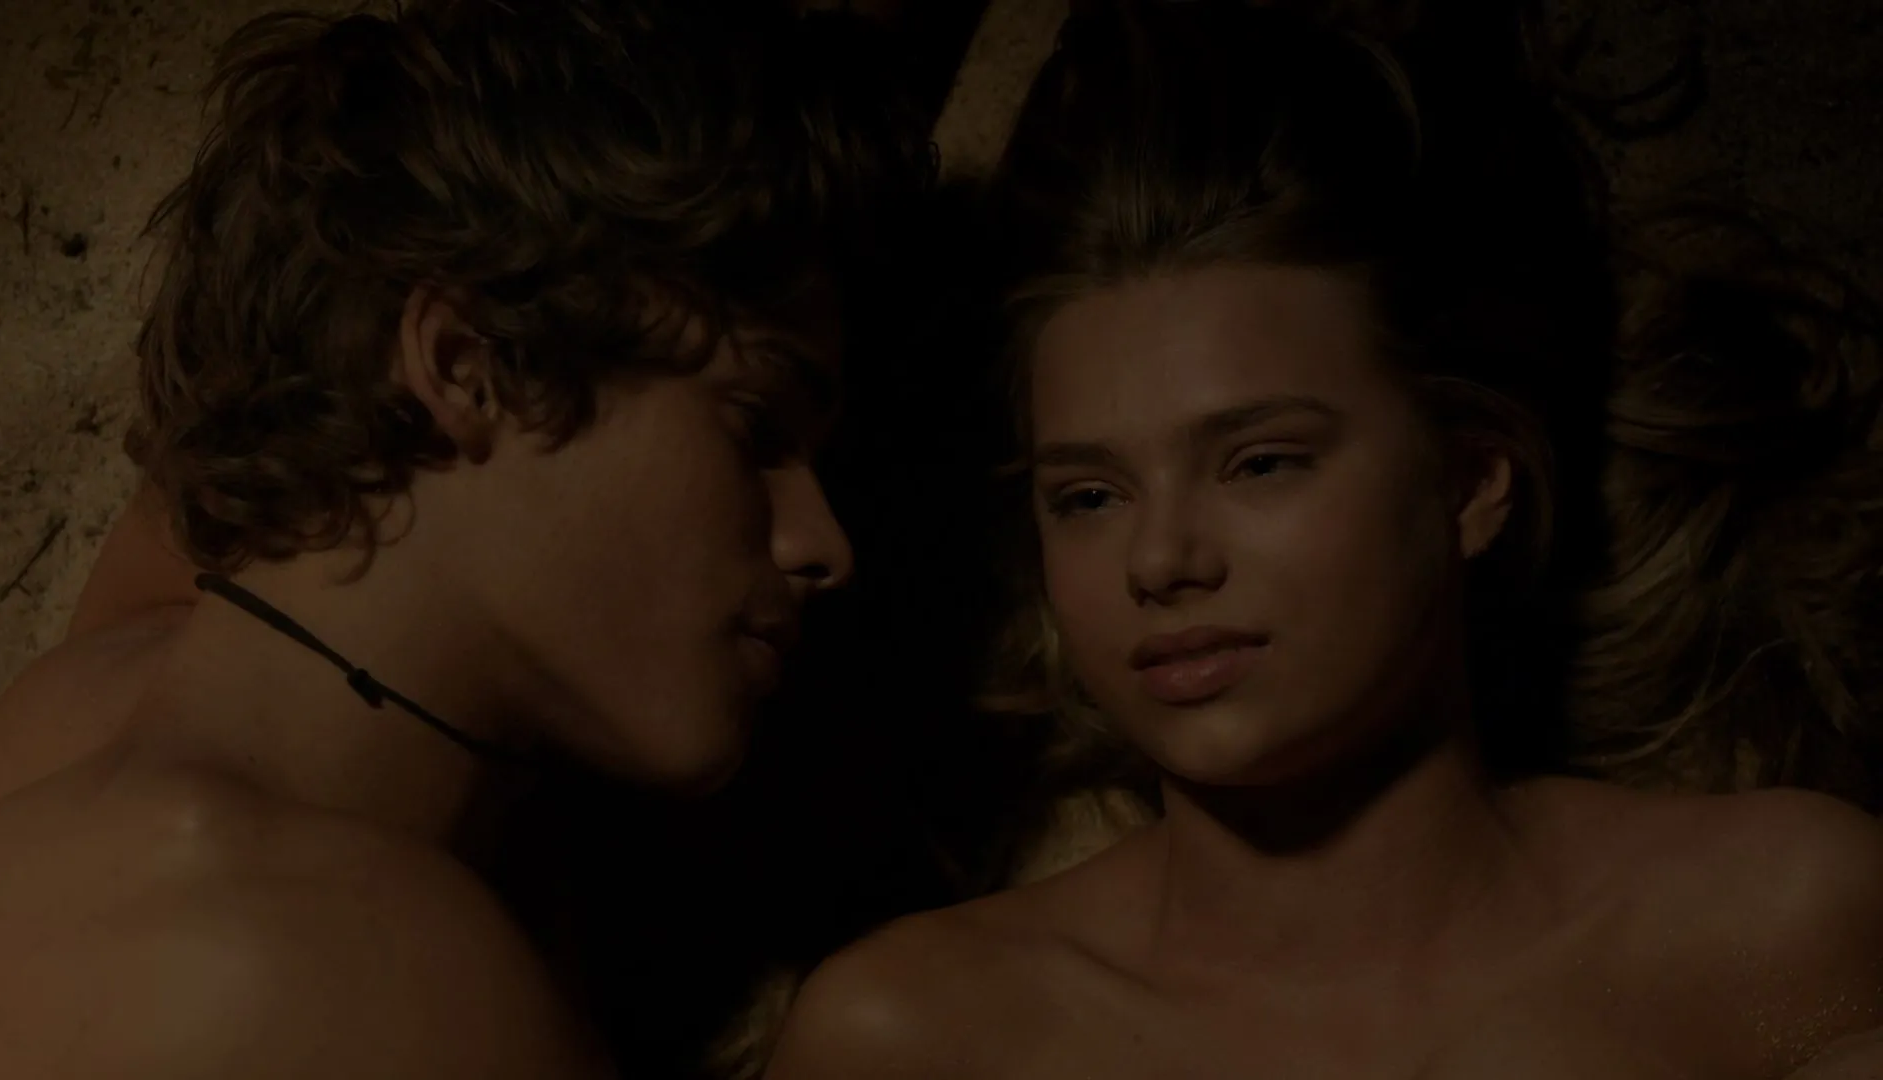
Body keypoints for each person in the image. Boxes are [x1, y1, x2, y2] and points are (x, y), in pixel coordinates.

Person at [763, 4, 1883, 1078]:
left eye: (1261, 463)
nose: (1160, 562)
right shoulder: (918, 1041)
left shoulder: (1781, 929)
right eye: (1091, 496)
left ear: (1470, 482)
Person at [0, 0, 927, 1074]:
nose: (823, 544)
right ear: (469, 367)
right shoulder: (392, 989)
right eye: (755, 431)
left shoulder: (78, 712)